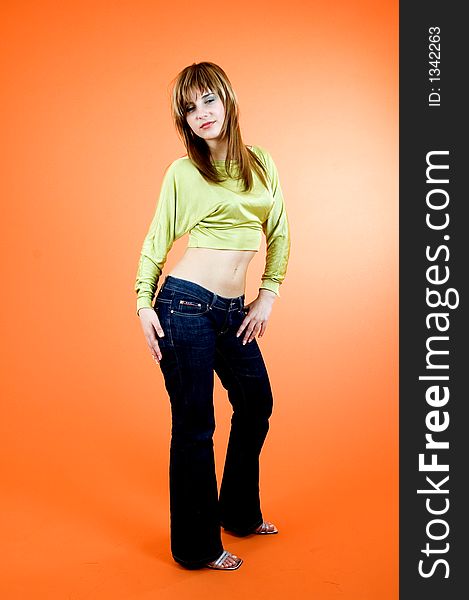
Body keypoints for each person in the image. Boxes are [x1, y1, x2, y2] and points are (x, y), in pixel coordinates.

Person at [134, 61, 291, 571]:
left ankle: (238, 513)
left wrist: (267, 294)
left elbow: (281, 233)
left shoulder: (261, 163)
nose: (200, 114)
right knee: (196, 424)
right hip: (183, 307)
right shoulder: (183, 172)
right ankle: (196, 548)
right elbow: (157, 239)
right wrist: (141, 301)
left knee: (256, 403)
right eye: (189, 107)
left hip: (231, 312)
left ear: (227, 100)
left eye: (208, 100)